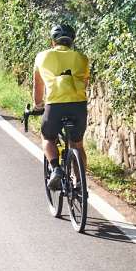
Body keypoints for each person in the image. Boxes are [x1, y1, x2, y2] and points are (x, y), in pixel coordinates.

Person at [32, 24, 89, 190]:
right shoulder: (82, 57)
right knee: (77, 144)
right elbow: (84, 83)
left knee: (48, 137)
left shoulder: (42, 57)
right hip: (78, 105)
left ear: (53, 42)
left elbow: (38, 85)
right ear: (72, 41)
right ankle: (80, 183)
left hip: (55, 105)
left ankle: (56, 168)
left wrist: (37, 105)